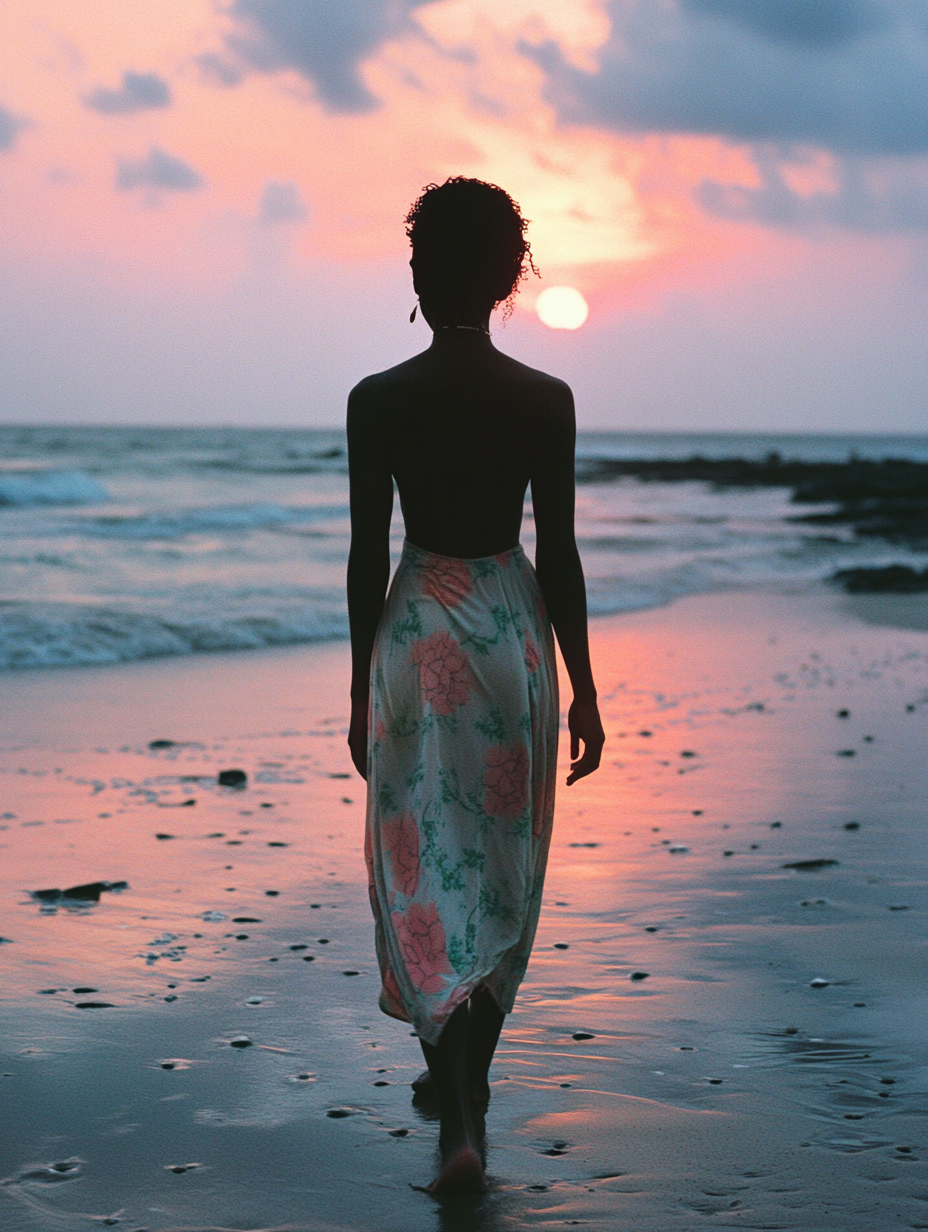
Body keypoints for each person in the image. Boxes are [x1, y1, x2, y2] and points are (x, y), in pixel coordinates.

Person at [346, 177, 604, 1195]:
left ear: (417, 271)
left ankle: (453, 1097)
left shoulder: (378, 399)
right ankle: (469, 1087)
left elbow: (367, 555)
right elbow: (564, 552)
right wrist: (585, 684)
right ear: (509, 278)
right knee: (501, 863)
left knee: (417, 863)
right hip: (508, 634)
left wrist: (357, 678)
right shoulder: (545, 399)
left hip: (414, 636)